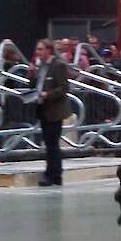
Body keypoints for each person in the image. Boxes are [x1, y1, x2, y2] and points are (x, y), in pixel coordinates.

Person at [31, 38, 71, 186]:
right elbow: (36, 84)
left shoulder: (58, 65)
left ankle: (54, 174)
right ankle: (52, 173)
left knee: (53, 143)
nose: (38, 52)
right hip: (43, 109)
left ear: (48, 50)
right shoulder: (40, 66)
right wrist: (31, 73)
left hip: (54, 110)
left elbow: (63, 87)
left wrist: (48, 94)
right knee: (48, 143)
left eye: (41, 49)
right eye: (37, 50)